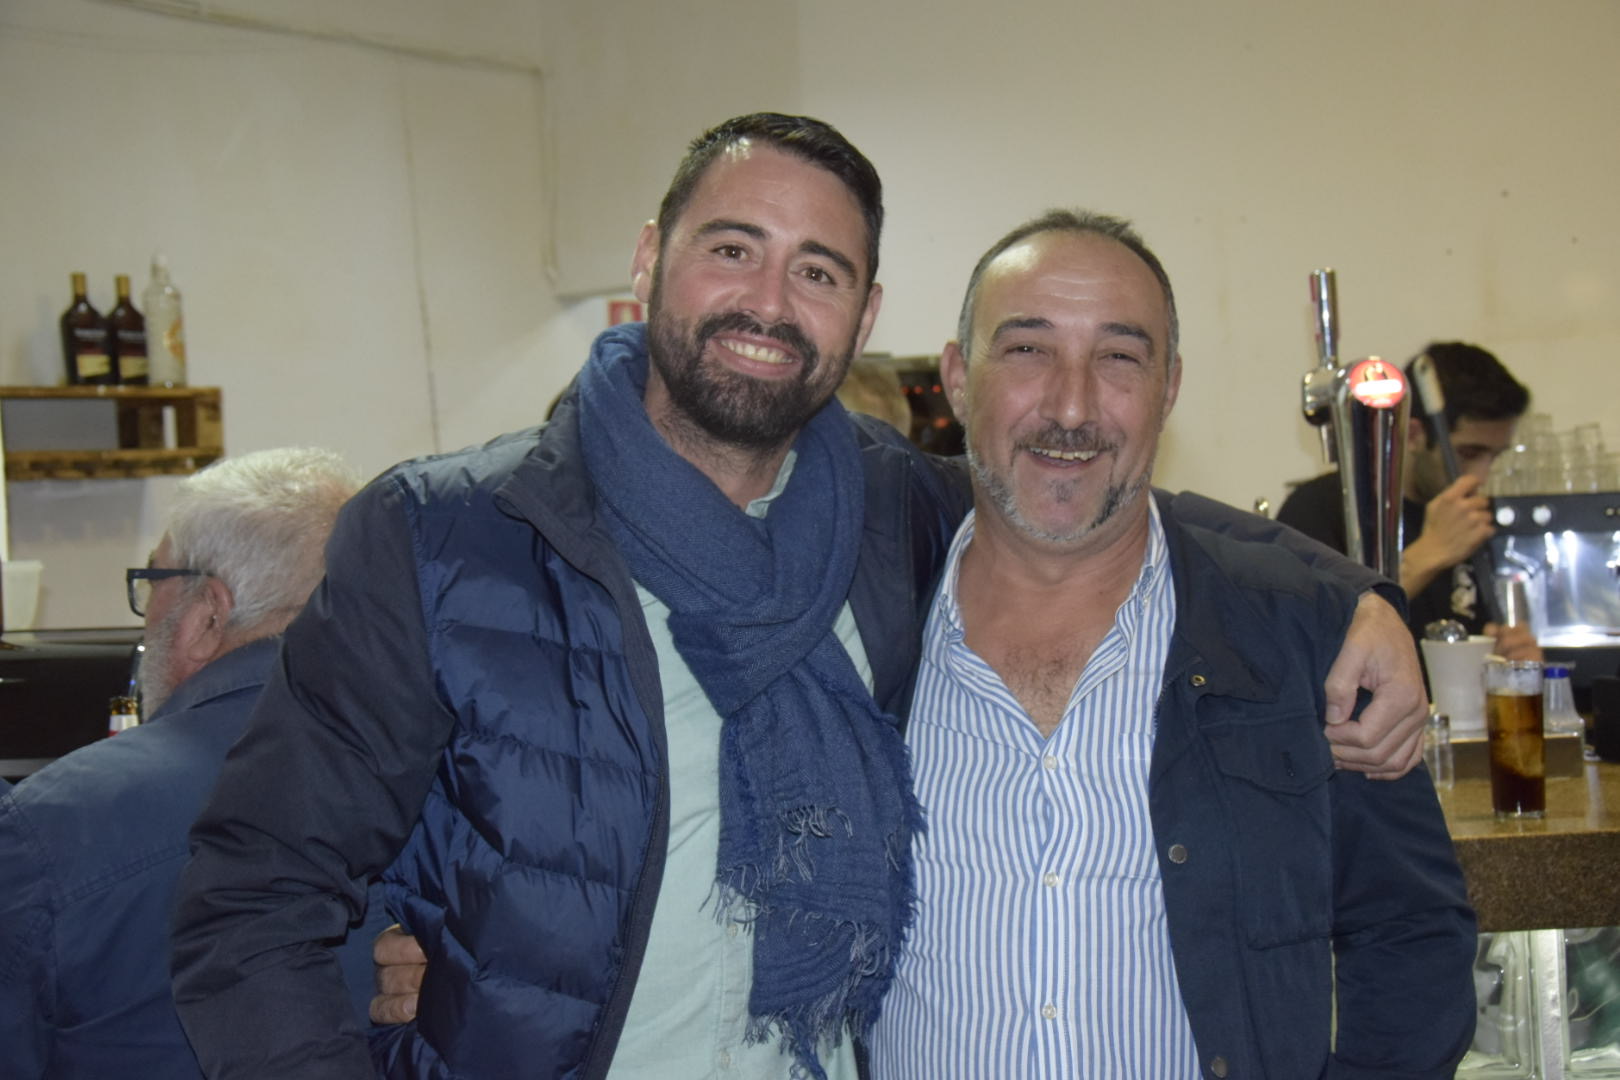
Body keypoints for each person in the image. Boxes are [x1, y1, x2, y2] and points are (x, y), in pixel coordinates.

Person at [173, 114, 1429, 1080]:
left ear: (863, 316)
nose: (769, 305)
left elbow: (1080, 485)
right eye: (734, 250)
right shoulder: (451, 535)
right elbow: (252, 897)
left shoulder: (890, 518)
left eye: (819, 272)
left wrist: (1354, 594)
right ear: (651, 259)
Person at [867, 211, 1476, 1077]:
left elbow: (1411, 933)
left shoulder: (1303, 640)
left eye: (1120, 357)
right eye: (1028, 349)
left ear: (1169, 388)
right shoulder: (870, 623)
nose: (1071, 406)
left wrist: (1357, 593)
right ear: (960, 378)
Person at [0, 447, 389, 1079]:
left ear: (208, 613)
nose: (146, 616)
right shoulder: (455, 780)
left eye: (153, 582)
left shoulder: (49, 825)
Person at [1278, 341, 1539, 659]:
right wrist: (1426, 556)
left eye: (1495, 456)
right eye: (1469, 453)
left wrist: (1510, 657)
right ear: (1414, 434)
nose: (1482, 475)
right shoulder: (1321, 508)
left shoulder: (1476, 518)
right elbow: (1311, 640)